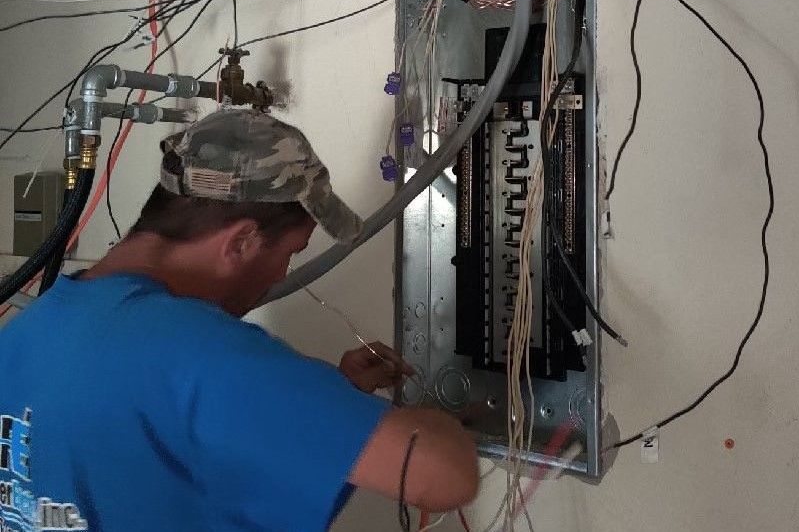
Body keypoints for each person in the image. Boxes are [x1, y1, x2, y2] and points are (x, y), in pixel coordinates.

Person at [0, 109, 478, 532]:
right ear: (242, 241)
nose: (281, 275)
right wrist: (440, 419)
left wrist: (339, 399)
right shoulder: (200, 352)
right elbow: (444, 475)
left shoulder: (30, 330)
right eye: (291, 252)